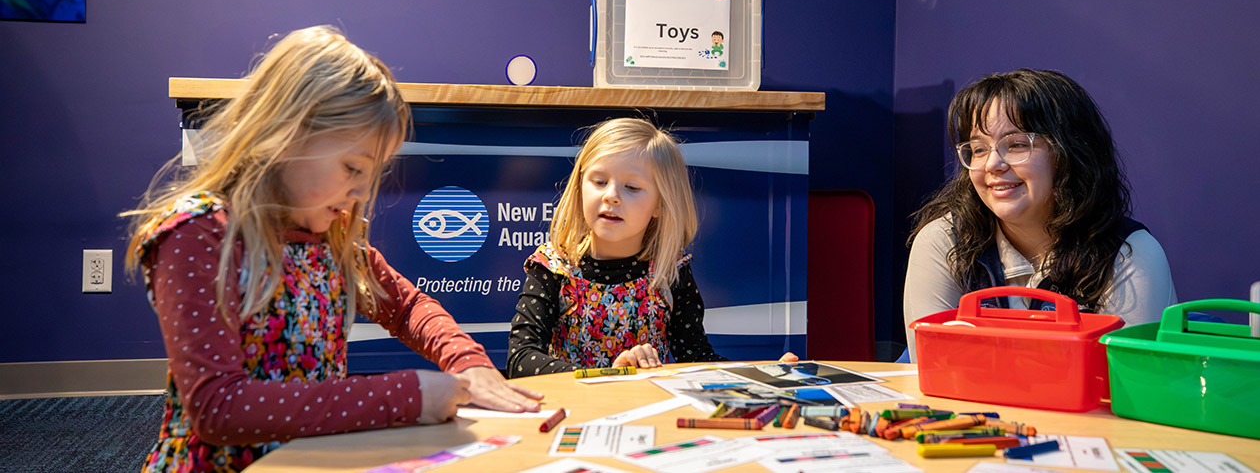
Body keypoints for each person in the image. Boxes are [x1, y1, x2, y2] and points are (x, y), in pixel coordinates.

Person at [123, 26, 541, 473]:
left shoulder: (332, 238)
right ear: (286, 133)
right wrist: (406, 395)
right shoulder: (199, 233)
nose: (362, 192)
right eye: (352, 167)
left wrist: (468, 362)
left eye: (372, 173)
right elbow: (217, 408)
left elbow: (405, 307)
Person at [903, 69, 1176, 360]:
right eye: (979, 149)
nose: (993, 164)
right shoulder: (944, 241)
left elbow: (1124, 383)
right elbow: (932, 367)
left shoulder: (1130, 253)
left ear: (1070, 153)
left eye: (1017, 144)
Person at [506, 117, 796, 377]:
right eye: (599, 181)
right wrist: (609, 375)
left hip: (648, 416)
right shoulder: (553, 267)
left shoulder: (671, 271)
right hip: (576, 414)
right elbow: (521, 359)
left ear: (659, 203)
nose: (611, 196)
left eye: (631, 187)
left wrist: (762, 376)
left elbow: (695, 357)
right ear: (581, 186)